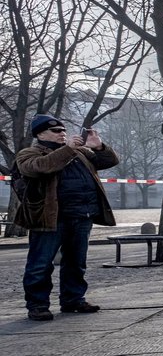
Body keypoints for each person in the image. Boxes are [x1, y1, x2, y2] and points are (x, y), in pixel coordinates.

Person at [14, 114, 119, 321]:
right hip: (50, 217)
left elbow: (108, 161)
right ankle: (37, 305)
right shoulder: (29, 153)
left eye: (63, 130)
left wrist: (98, 146)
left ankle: (73, 299)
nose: (62, 133)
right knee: (40, 264)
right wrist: (68, 149)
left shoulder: (79, 152)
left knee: (76, 262)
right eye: (56, 131)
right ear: (40, 134)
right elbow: (41, 167)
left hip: (82, 214)